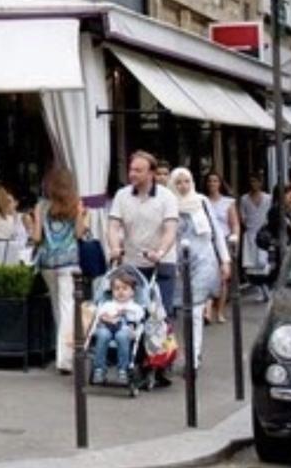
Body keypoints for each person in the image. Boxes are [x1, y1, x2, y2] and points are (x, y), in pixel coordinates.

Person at [107, 150, 180, 351]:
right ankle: (137, 357)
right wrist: (114, 247)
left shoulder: (167, 197)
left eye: (138, 170)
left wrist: (161, 251)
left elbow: (170, 229)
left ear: (151, 174)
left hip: (161, 261)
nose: (132, 174)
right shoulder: (122, 195)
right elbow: (113, 225)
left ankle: (162, 360)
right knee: (135, 311)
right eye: (131, 170)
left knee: (161, 312)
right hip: (132, 263)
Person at [169, 168, 231, 370]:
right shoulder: (169, 204)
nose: (183, 186)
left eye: (186, 181)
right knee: (182, 313)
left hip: (204, 261)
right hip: (179, 264)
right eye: (178, 182)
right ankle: (187, 351)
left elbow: (216, 232)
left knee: (195, 310)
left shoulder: (202, 202)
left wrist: (225, 260)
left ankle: (193, 357)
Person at [29, 167, 87, 374]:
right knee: (68, 307)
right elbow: (80, 234)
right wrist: (80, 214)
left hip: (47, 262)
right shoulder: (76, 204)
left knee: (57, 306)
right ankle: (66, 358)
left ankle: (61, 352)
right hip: (69, 261)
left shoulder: (41, 207)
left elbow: (36, 238)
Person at [91, 273, 145, 385]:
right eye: (116, 289)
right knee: (102, 334)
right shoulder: (107, 304)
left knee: (122, 335)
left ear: (132, 292)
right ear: (112, 291)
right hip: (108, 328)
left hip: (126, 330)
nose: (120, 291)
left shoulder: (135, 307)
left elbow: (139, 319)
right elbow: (99, 316)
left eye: (125, 288)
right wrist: (107, 317)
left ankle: (123, 370)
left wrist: (126, 313)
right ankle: (99, 369)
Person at [203, 172, 240, 324]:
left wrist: (235, 238)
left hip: (223, 240)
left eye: (215, 181)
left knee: (223, 278)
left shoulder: (228, 202)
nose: (212, 184)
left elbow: (234, 223)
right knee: (207, 276)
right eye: (210, 181)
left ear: (220, 183)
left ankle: (220, 311)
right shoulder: (203, 201)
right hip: (207, 241)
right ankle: (207, 310)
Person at [239, 173, 273, 301]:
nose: (254, 184)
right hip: (251, 234)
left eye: (256, 181)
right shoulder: (244, 199)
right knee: (252, 266)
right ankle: (260, 290)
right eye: (251, 181)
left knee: (264, 263)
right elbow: (242, 216)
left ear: (261, 183)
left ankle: (266, 289)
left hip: (264, 234)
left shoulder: (268, 198)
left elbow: (271, 214)